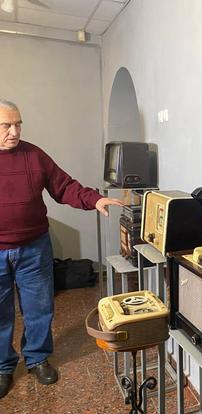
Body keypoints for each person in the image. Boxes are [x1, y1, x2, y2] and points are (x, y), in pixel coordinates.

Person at [0, 99, 123, 398]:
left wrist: (95, 199)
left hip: (34, 247)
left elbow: (64, 186)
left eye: (18, 124)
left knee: (39, 308)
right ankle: (3, 367)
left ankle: (37, 359)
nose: (14, 132)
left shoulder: (34, 155)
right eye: (6, 126)